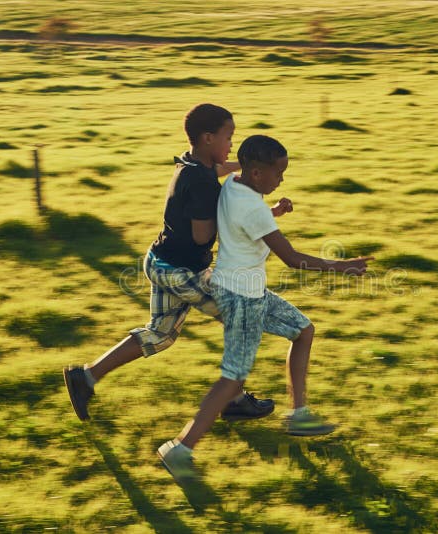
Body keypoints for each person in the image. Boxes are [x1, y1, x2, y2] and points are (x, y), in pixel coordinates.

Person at [157, 134, 373, 482]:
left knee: (303, 330)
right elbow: (291, 259)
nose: (282, 179)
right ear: (256, 174)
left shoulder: (233, 183)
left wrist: (274, 212)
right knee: (232, 379)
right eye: (279, 173)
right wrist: (341, 267)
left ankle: (299, 414)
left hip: (248, 291)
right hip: (241, 298)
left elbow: (241, 223)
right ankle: (180, 448)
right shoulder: (252, 205)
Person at [63, 104, 274, 423]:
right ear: (207, 138)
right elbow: (203, 236)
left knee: (160, 335)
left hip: (160, 261)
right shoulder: (202, 184)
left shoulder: (191, 163)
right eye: (228, 137)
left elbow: (214, 171)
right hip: (181, 272)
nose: (232, 144)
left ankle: (86, 377)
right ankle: (233, 400)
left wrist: (246, 169)